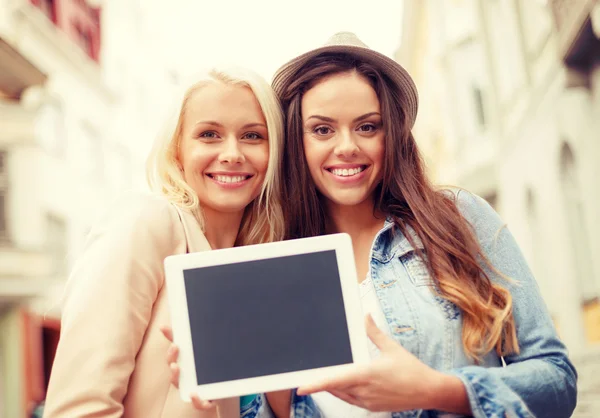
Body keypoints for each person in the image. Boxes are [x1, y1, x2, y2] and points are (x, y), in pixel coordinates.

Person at [166, 33, 578, 418]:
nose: (347, 147)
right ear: (297, 138)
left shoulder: (457, 217)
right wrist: (231, 380)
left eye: (367, 126)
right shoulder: (273, 259)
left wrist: (437, 389)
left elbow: (556, 378)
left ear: (392, 133)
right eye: (322, 129)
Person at [42, 65, 285, 418]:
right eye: (209, 135)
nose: (232, 153)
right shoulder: (147, 221)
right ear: (177, 152)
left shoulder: (253, 271)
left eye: (252, 136)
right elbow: (79, 407)